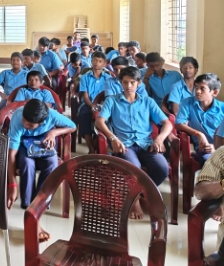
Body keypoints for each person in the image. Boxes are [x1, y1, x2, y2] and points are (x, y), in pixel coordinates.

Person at [96, 66, 173, 219]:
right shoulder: (112, 101)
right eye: (125, 82)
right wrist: (113, 138)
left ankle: (139, 194)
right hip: (124, 145)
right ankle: (135, 201)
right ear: (120, 83)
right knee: (134, 168)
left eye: (132, 82)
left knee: (162, 168)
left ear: (139, 83)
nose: (129, 86)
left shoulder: (148, 101)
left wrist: (159, 138)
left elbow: (167, 123)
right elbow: (99, 121)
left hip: (146, 144)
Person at [7, 99, 75, 242]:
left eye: (30, 125)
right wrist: (12, 184)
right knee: (26, 164)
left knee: (52, 164)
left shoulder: (52, 116)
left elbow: (72, 126)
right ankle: (31, 213)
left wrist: (54, 132)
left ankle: (36, 211)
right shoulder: (18, 118)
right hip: (24, 144)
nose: (25, 124)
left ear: (42, 122)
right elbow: (11, 154)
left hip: (44, 142)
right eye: (24, 121)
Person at [176, 74, 223, 165]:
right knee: (212, 163)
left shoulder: (222, 108)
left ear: (214, 92)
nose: (197, 91)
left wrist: (217, 148)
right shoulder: (187, 102)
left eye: (202, 88)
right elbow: (178, 123)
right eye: (196, 87)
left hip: (221, 148)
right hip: (203, 148)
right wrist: (198, 134)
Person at [78, 51, 112, 154]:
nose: (96, 63)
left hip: (104, 104)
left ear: (104, 63)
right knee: (84, 114)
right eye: (94, 60)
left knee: (106, 117)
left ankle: (96, 140)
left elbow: (108, 96)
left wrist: (100, 106)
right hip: (88, 103)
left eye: (100, 61)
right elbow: (85, 96)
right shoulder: (85, 77)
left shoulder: (108, 79)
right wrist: (91, 106)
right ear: (91, 61)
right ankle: (91, 148)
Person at [0, 52, 25, 117]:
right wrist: (1, 94)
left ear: (22, 63)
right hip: (7, 99)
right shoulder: (5, 73)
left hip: (22, 100)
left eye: (18, 60)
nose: (15, 62)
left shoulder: (27, 74)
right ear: (11, 62)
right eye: (13, 60)